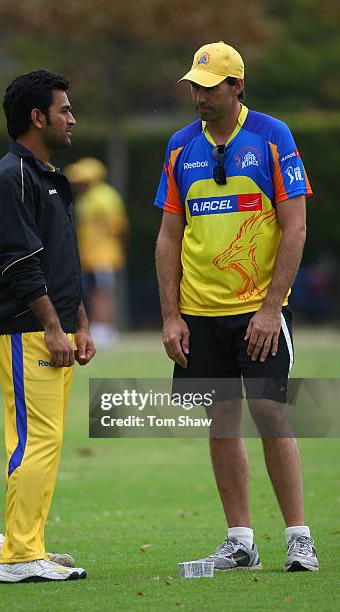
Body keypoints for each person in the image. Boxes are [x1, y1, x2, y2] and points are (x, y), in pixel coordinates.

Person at [154, 42, 318, 572]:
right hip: (199, 315)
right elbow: (168, 236)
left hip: (259, 312)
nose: (198, 96)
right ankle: (241, 541)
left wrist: (272, 309)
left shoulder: (274, 136)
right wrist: (171, 315)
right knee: (221, 418)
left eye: (209, 86)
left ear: (236, 86)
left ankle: (298, 537)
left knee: (269, 411)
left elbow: (295, 226)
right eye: (194, 87)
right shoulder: (180, 147)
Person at [0, 69, 96, 583]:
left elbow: (64, 260)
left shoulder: (46, 175)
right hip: (28, 326)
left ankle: (25, 543)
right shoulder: (12, 176)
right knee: (36, 437)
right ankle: (20, 557)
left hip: (51, 327)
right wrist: (50, 325)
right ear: (37, 117)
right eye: (64, 109)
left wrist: (79, 322)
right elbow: (21, 262)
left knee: (39, 438)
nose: (72, 118)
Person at [65, 158, 128, 348]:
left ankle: (105, 329)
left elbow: (118, 226)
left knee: (103, 292)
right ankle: (98, 327)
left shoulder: (106, 196)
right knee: (92, 293)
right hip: (88, 257)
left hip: (104, 255)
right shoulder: (84, 199)